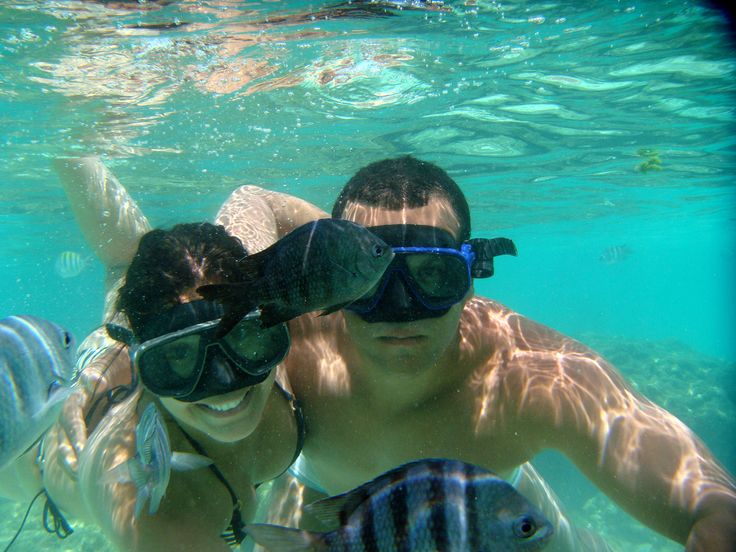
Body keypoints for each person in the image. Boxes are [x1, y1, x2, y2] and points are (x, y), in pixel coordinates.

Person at [53, 156, 736, 551]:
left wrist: (715, 517)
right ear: (339, 275)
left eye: (433, 278)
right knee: (133, 270)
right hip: (324, 510)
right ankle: (78, 151)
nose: (400, 312)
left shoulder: (529, 374)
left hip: (490, 511)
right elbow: (243, 215)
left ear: (471, 275)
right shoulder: (287, 331)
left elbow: (681, 475)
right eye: (374, 280)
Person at [38, 221, 305, 551]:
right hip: (40, 459)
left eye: (241, 333)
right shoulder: (154, 515)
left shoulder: (281, 321)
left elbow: (251, 196)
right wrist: (94, 371)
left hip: (125, 349)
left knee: (124, 276)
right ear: (146, 365)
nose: (223, 382)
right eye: (179, 353)